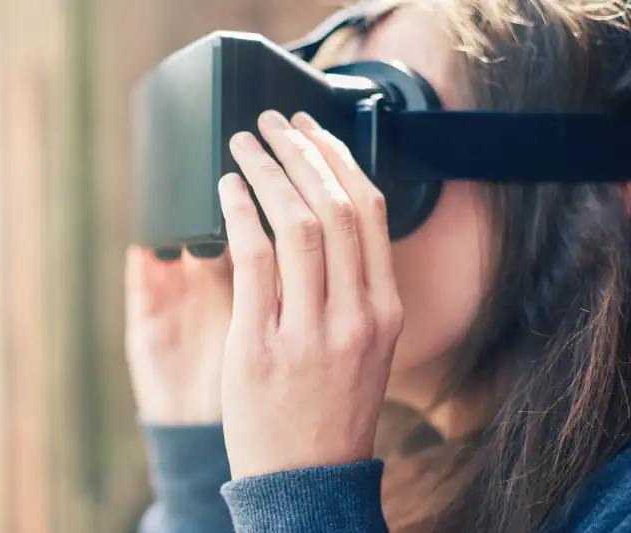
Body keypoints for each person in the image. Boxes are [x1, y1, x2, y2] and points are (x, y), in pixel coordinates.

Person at [124, 0, 631, 531]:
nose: (330, 199)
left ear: (591, 190)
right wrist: (199, 477)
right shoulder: (429, 492)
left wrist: (304, 496)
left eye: (374, 133)